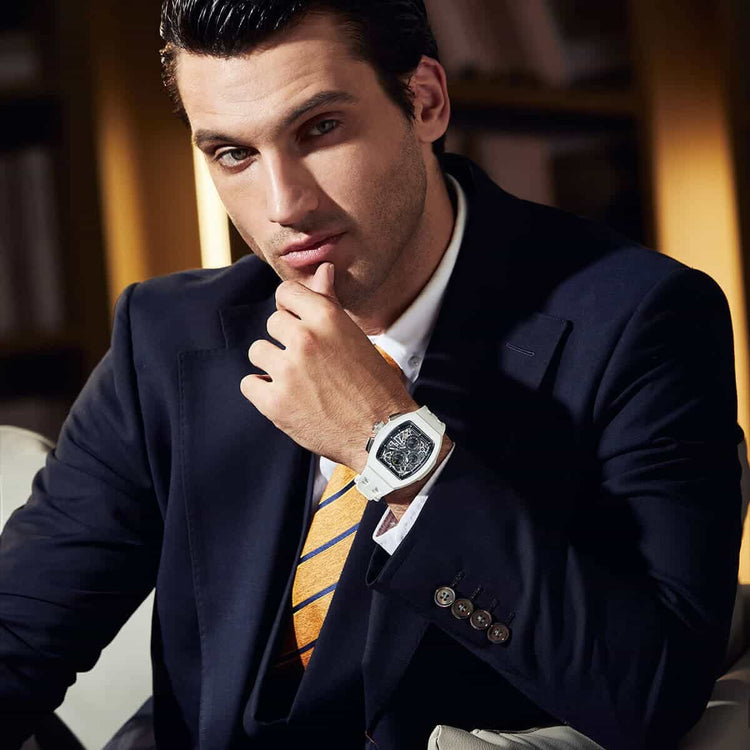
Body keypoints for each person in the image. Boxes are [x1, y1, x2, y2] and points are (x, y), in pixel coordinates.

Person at [0, 1, 743, 748]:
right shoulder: (165, 335)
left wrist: (388, 441)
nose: (284, 205)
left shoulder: (642, 321)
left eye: (320, 129)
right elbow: (20, 635)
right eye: (233, 154)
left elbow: (652, 691)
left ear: (425, 102)